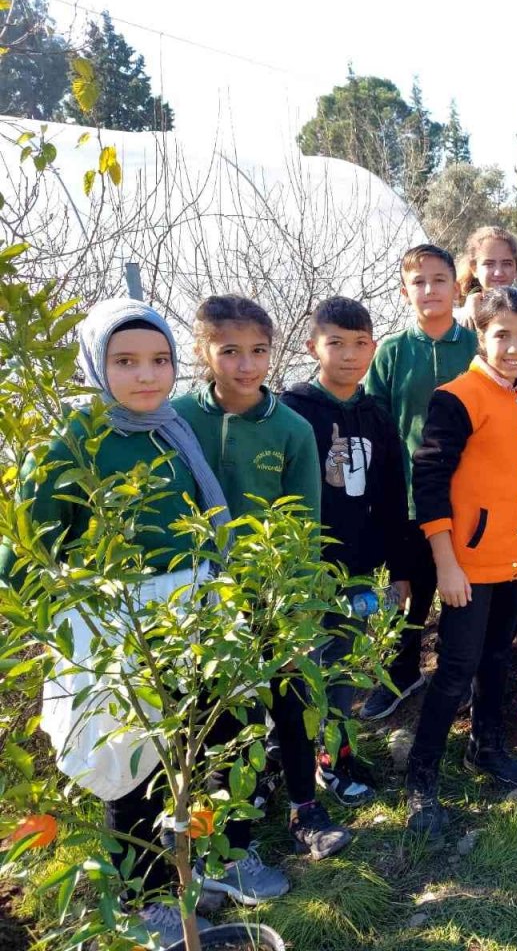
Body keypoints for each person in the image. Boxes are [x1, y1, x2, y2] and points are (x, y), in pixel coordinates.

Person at [0, 299, 290, 943]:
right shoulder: (72, 443)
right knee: (133, 761)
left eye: (159, 360)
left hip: (194, 614)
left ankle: (214, 859)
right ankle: (146, 898)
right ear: (96, 367)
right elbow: (22, 556)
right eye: (126, 361)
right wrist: (74, 617)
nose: (146, 375)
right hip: (118, 624)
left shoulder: (170, 430)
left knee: (210, 739)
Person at [174, 295, 352, 862]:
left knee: (291, 699)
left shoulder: (291, 429)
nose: (246, 365)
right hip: (202, 593)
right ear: (203, 351)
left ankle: (305, 807)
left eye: (258, 351)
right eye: (230, 351)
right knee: (225, 711)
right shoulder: (178, 420)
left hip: (275, 590)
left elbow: (306, 524)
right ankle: (231, 825)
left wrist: (302, 607)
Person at [403, 287, 517, 835]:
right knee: (456, 667)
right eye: (502, 335)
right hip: (467, 565)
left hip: (515, 559)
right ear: (480, 335)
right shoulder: (457, 398)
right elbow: (429, 482)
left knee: (496, 658)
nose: (514, 348)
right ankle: (421, 775)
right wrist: (445, 562)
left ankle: (485, 747)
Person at [281, 296, 411, 806]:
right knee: (296, 669)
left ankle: (334, 757)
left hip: (356, 568)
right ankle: (284, 760)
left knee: (342, 666)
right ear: (312, 346)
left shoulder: (376, 414)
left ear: (373, 348)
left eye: (360, 344)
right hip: (299, 572)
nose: (349, 355)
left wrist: (399, 568)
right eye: (336, 343)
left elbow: (392, 495)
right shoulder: (291, 411)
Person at [361, 244, 477, 721]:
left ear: (456, 286)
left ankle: (456, 675)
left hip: (468, 496)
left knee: (463, 591)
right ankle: (402, 671)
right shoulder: (391, 352)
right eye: (419, 282)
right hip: (408, 496)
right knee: (407, 593)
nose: (430, 289)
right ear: (404, 291)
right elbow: (376, 423)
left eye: (439, 279)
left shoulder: (475, 347)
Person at [457, 225, 517, 327]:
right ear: (474, 269)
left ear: (516, 268)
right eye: (489, 264)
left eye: (506, 263)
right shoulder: (460, 320)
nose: (498, 272)